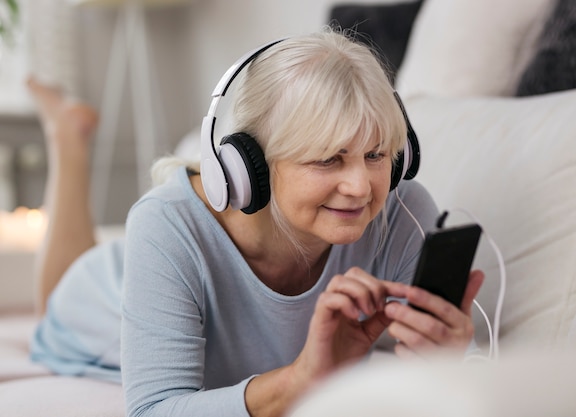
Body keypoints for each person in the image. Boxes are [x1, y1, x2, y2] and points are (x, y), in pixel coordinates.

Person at [28, 27, 485, 417]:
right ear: (251, 169)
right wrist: (297, 381)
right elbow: (155, 408)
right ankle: (67, 139)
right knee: (50, 306)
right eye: (328, 159)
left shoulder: (403, 213)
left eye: (376, 155)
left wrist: (443, 355)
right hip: (102, 295)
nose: (362, 187)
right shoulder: (164, 225)